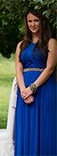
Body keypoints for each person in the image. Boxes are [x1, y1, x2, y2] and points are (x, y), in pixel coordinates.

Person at [14, 8, 57, 155]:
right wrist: (23, 91)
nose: (32, 24)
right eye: (30, 21)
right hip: (25, 92)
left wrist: (32, 88)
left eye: (36, 21)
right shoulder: (21, 45)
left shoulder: (51, 43)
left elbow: (50, 68)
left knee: (46, 126)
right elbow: (19, 69)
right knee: (27, 127)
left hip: (44, 89)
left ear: (42, 22)